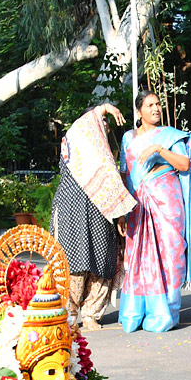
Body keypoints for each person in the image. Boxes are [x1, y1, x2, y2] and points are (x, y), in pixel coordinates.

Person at [118, 89, 191, 332]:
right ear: (138, 111)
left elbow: (184, 164)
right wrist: (122, 211)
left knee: (171, 251)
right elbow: (126, 174)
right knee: (139, 255)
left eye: (158, 104)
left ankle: (168, 311)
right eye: (150, 105)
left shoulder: (170, 136)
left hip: (167, 199)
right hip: (138, 203)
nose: (156, 108)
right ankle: (138, 311)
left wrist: (158, 149)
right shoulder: (128, 138)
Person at [51, 103, 134, 331]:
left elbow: (113, 186)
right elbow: (88, 122)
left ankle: (91, 314)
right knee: (74, 262)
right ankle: (67, 316)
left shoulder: (104, 154)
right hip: (72, 208)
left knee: (103, 261)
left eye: (105, 124)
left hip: (102, 212)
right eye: (100, 121)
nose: (103, 126)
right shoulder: (76, 138)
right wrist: (105, 107)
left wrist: (120, 216)